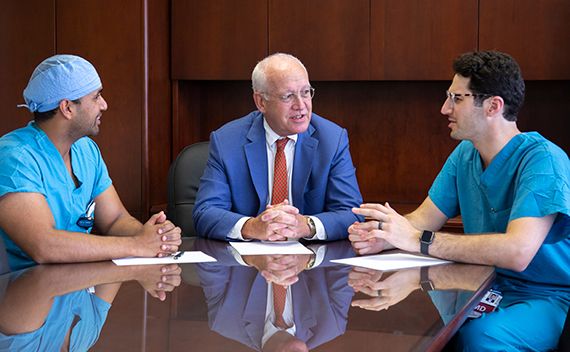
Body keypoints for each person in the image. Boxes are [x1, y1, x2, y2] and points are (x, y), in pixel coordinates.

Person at [348, 50, 570, 350]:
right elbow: (421, 221)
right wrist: (383, 235)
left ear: (493, 106)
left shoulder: (544, 160)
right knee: (422, 331)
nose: (444, 108)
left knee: (480, 338)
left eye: (457, 98)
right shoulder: (465, 155)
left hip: (547, 295)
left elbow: (517, 252)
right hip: (481, 285)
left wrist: (417, 240)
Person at [0, 55, 182, 271]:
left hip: (77, 286)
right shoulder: (15, 158)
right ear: (67, 108)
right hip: (25, 292)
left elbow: (115, 220)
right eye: (96, 97)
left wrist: (155, 236)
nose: (104, 105)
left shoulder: (86, 150)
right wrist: (137, 245)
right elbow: (44, 246)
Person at [193, 53, 363, 242]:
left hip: (310, 263)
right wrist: (251, 227)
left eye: (305, 92)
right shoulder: (227, 141)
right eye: (288, 96)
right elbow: (205, 213)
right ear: (261, 102)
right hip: (247, 264)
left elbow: (352, 214)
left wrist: (307, 225)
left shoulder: (332, 139)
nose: (301, 105)